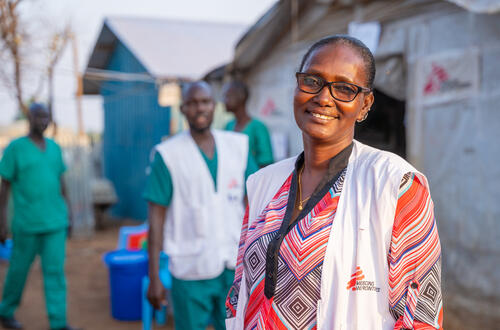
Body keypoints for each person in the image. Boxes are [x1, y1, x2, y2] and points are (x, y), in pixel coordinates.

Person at [225, 35, 443, 329]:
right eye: (312, 81)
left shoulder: (395, 184)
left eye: (344, 88)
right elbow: (240, 293)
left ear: (365, 104)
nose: (323, 98)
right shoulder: (263, 184)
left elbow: (421, 317)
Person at [145, 81, 258, 330]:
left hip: (232, 264)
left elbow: (254, 201)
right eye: (192, 103)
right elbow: (156, 218)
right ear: (183, 109)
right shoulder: (167, 155)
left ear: (214, 106)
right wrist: (154, 276)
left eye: (205, 102)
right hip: (190, 268)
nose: (200, 108)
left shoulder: (237, 146)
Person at [0, 103, 79, 330]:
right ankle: (5, 311)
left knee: (55, 273)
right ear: (29, 118)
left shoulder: (54, 148)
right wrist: (1, 222)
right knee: (18, 271)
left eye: (46, 117)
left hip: (55, 222)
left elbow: (61, 184)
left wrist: (70, 215)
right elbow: (4, 187)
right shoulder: (15, 149)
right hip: (27, 224)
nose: (43, 121)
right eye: (39, 117)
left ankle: (59, 322)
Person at [223, 81, 274, 168]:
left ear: (241, 97)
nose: (224, 101)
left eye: (228, 96)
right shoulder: (228, 126)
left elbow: (266, 163)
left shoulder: (258, 128)